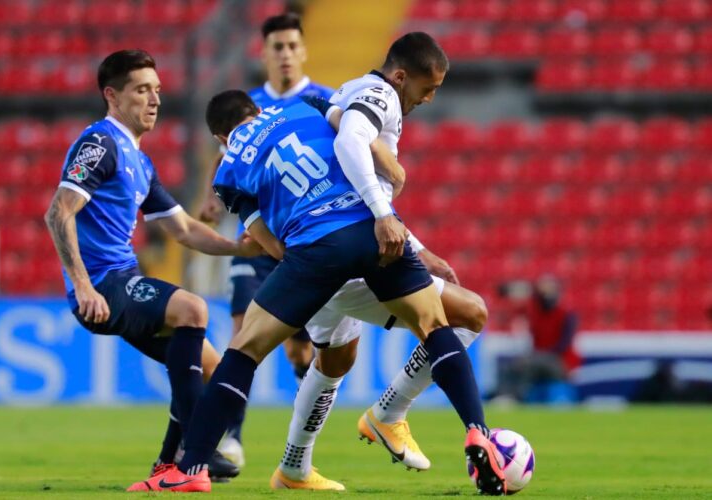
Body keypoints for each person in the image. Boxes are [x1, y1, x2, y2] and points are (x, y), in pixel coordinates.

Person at [135, 84, 505, 494]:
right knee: (436, 324)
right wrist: (392, 178)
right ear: (257, 109)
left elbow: (268, 244)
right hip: (369, 230)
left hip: (314, 252)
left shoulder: (228, 169)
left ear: (220, 138)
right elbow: (354, 140)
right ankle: (476, 429)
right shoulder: (303, 106)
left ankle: (194, 470)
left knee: (245, 350)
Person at [42, 50, 260, 492]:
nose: (154, 99)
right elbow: (57, 213)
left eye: (157, 90)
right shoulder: (99, 143)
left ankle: (166, 468)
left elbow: (181, 228)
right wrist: (83, 286)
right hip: (105, 284)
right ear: (112, 96)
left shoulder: (140, 161)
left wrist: (239, 247)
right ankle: (194, 460)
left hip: (122, 281)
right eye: (142, 90)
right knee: (193, 308)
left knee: (213, 365)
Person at [195, 13, 335, 466]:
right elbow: (223, 164)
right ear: (265, 53)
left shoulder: (323, 101)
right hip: (256, 244)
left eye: (293, 46)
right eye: (278, 47)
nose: (286, 55)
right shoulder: (245, 105)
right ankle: (230, 438)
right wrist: (211, 201)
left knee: (302, 350)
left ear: (304, 50)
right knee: (242, 334)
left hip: (304, 241)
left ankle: (302, 444)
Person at [496, 275, 579, 402]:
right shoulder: (536, 311)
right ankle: (503, 395)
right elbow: (520, 293)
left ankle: (517, 398)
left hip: (561, 362)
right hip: (539, 359)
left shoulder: (567, 314)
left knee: (528, 364)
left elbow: (563, 345)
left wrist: (540, 355)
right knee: (513, 365)